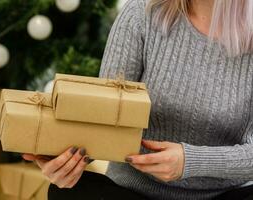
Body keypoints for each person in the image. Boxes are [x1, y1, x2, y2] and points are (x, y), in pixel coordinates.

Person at [23, 0, 253, 199]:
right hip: (134, 192)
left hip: (225, 194)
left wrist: (190, 161)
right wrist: (67, 162)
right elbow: (104, 121)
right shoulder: (141, 14)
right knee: (68, 192)